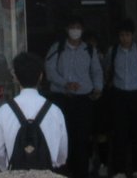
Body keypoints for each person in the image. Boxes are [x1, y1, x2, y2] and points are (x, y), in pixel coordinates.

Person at [0, 52, 70, 171]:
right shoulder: (55, 111)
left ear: (15, 77)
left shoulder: (3, 111)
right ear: (41, 76)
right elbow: (62, 154)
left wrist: (6, 169)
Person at [46, 16, 104, 178]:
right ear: (67, 29)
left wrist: (98, 88)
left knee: (82, 137)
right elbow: (49, 71)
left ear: (82, 30)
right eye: (72, 27)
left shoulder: (89, 50)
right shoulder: (57, 48)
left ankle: (81, 171)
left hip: (83, 100)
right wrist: (66, 84)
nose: (75, 30)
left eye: (78, 27)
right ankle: (64, 170)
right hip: (61, 99)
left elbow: (97, 71)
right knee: (62, 136)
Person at [106, 19, 137, 178]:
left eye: (127, 35)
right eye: (121, 35)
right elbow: (107, 70)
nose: (124, 38)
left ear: (132, 35)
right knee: (119, 133)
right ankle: (119, 170)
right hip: (119, 94)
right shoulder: (113, 51)